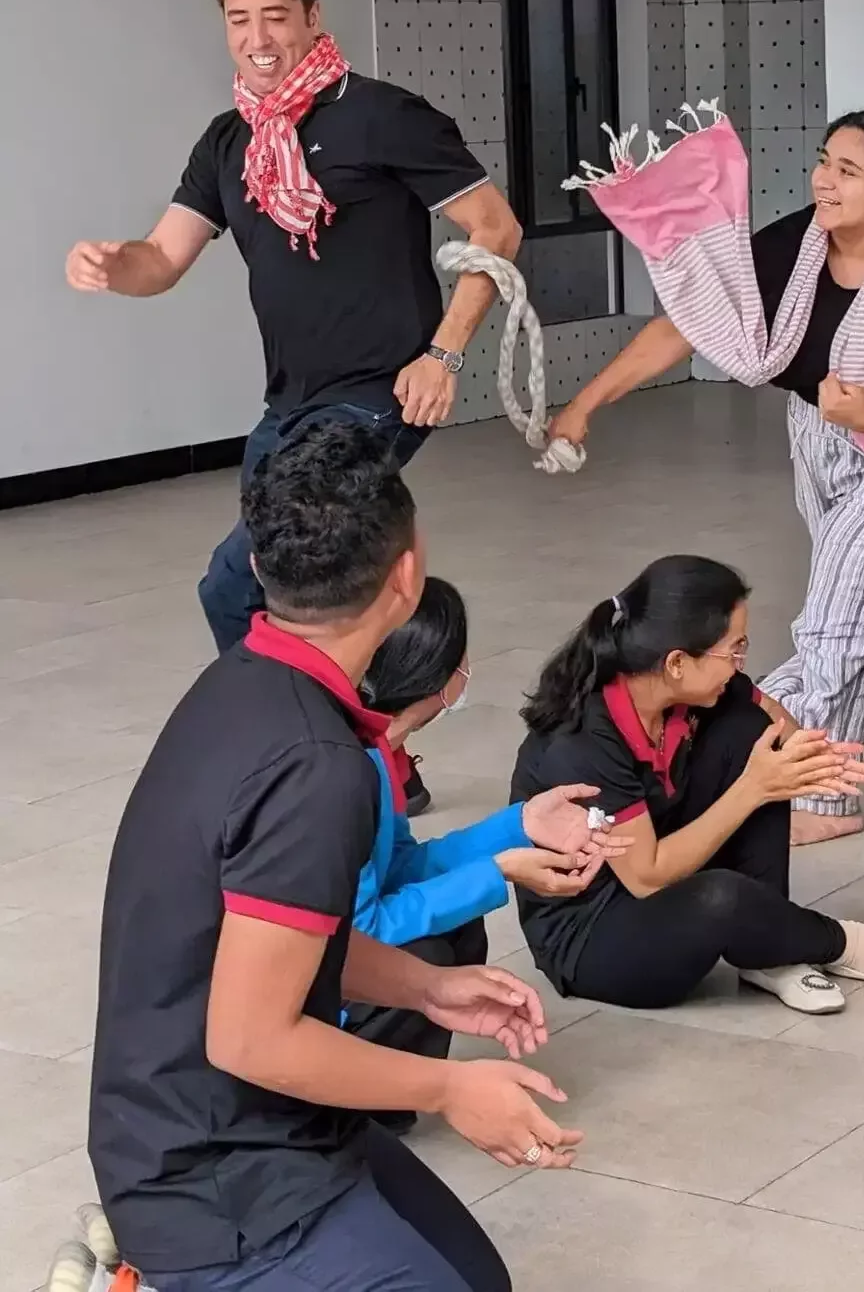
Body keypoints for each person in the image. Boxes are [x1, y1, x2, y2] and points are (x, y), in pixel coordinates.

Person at [88, 420, 580, 1292]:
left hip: (264, 1125)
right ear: (406, 577)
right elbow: (248, 1036)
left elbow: (271, 934)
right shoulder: (317, 768)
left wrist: (425, 986)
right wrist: (450, 1091)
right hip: (215, 1184)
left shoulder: (246, 681)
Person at [63, 0, 523, 690]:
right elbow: (163, 259)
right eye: (239, 20)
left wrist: (443, 354)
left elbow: (497, 229)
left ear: (312, 15)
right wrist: (116, 267)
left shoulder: (382, 116)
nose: (258, 39)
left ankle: (311, 739)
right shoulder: (229, 143)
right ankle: (364, 742)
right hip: (288, 406)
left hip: (381, 393)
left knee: (239, 582)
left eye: (275, 16)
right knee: (288, 589)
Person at [550, 107, 864, 846]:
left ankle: (814, 796)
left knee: (836, 631)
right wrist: (585, 401)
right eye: (824, 161)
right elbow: (688, 323)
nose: (823, 179)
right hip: (820, 434)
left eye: (848, 171)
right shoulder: (796, 245)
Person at [509, 555, 864, 1014]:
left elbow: (777, 723)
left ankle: (766, 953)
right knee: (721, 894)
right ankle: (840, 944)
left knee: (749, 732)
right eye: (733, 650)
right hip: (597, 935)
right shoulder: (583, 741)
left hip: (654, 870)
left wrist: (806, 756)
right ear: (678, 662)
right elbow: (646, 876)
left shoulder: (687, 691)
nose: (739, 663)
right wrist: (756, 787)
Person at [347, 575, 629, 1088]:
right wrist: (497, 871)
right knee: (427, 949)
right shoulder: (352, 767)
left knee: (456, 920)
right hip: (315, 975)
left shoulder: (381, 753)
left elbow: (400, 866)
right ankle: (354, 1093)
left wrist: (520, 825)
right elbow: (360, 932)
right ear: (441, 677)